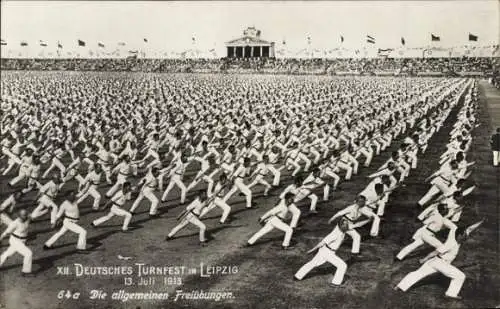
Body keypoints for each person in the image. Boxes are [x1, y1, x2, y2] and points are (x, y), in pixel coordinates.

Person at [395, 221, 483, 299]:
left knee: (418, 273)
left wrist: (481, 222)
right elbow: (435, 252)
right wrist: (424, 259)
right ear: (459, 235)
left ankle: (400, 287)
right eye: (464, 236)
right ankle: (451, 294)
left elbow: (469, 229)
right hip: (441, 263)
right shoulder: (450, 243)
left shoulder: (455, 233)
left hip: (434, 262)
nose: (466, 238)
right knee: (460, 276)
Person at [294, 218, 350, 286]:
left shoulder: (343, 228)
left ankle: (297, 276)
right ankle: (336, 283)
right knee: (342, 265)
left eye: (346, 224)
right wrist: (311, 250)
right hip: (327, 252)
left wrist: (366, 220)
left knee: (313, 263)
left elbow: (356, 225)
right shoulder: (334, 234)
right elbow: (321, 243)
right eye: (344, 224)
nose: (346, 226)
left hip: (326, 251)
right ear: (339, 225)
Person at [0, 209, 33, 276]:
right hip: (15, 241)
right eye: (23, 215)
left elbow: (33, 216)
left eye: (26, 214)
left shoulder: (28, 218)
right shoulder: (14, 223)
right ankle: (26, 272)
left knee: (7, 254)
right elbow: (5, 232)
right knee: (28, 253)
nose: (25, 216)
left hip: (22, 241)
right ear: (19, 216)